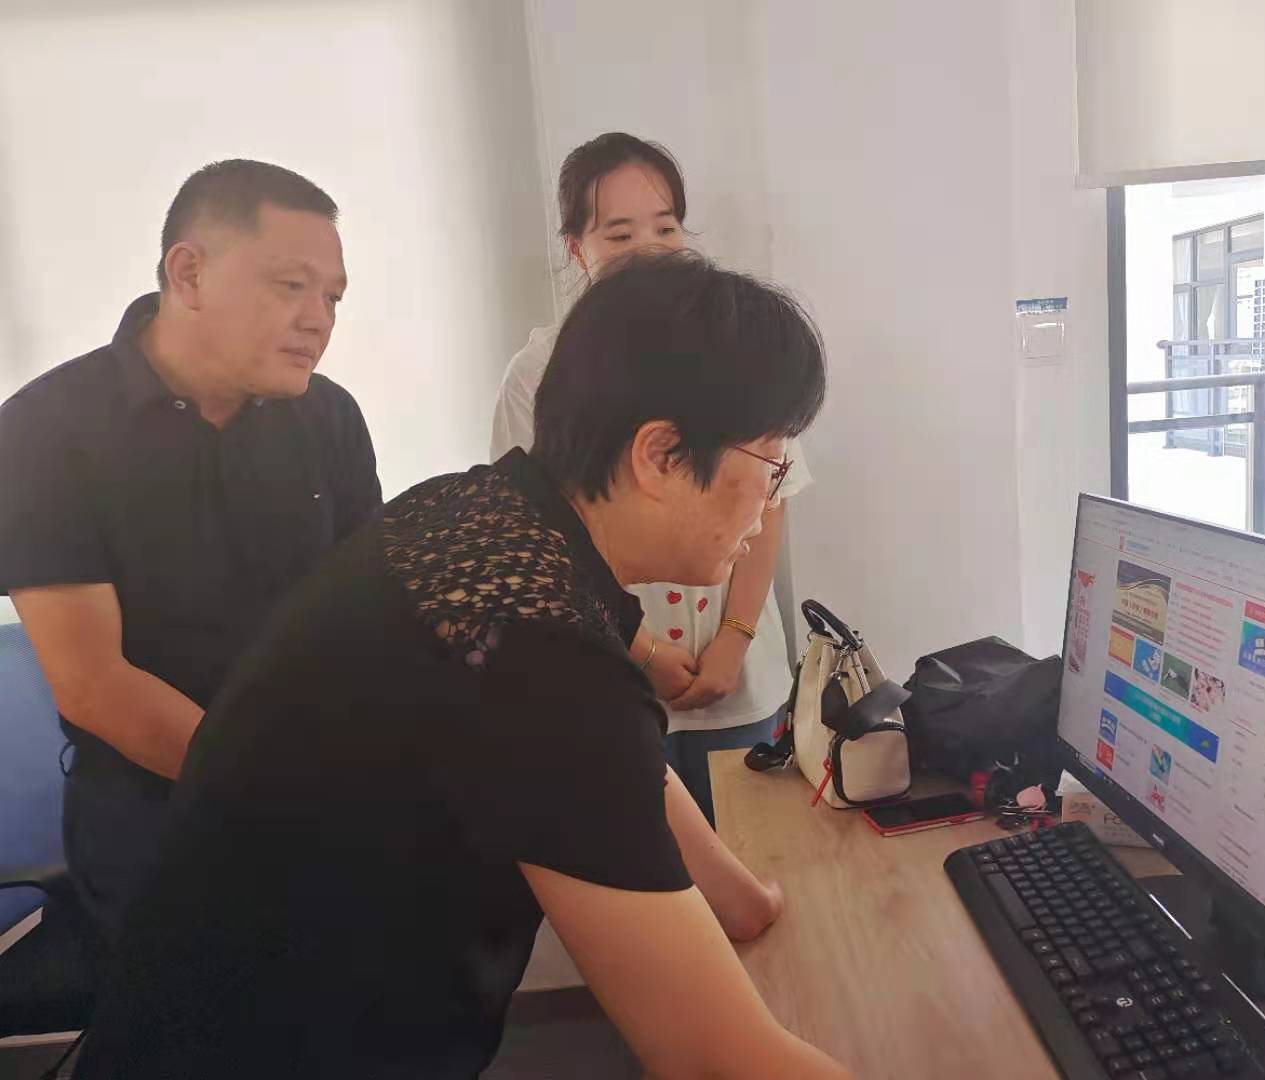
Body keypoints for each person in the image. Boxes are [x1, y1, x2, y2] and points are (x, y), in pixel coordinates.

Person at [71, 252, 849, 1079]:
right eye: (770, 467)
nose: (771, 502)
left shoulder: (474, 516)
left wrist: (744, 900)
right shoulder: (539, 647)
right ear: (659, 456)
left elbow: (616, 771)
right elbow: (714, 1060)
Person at [0, 160, 382, 940]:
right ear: (189, 273)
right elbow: (93, 683)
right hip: (155, 821)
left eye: (332, 298)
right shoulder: (45, 431)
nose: (318, 319)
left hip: (325, 791)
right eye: (292, 286)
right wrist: (283, 793)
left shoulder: (329, 419)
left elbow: (370, 618)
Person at [492, 132, 812, 824]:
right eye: (619, 233)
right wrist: (643, 653)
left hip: (737, 678)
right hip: (614, 675)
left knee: (758, 842)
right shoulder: (541, 373)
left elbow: (770, 499)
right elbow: (539, 537)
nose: (649, 249)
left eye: (665, 227)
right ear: (576, 248)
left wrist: (734, 637)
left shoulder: (731, 350)